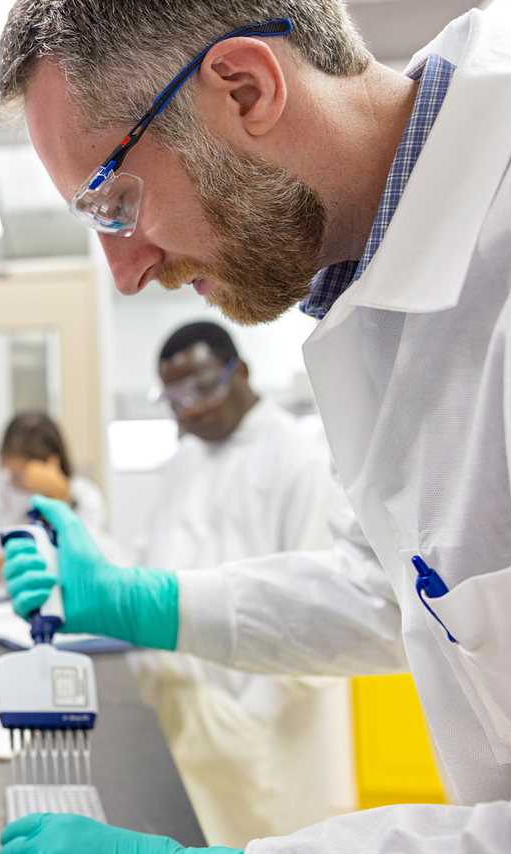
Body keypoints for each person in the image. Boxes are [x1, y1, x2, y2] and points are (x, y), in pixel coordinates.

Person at [0, 0, 511, 851]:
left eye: (116, 203)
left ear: (245, 89)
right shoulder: (380, 287)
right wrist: (149, 604)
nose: (126, 272)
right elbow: (391, 589)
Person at [129, 321, 351, 846]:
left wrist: (247, 717)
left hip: (266, 728)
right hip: (183, 712)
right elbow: (155, 559)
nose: (192, 409)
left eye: (204, 387)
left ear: (242, 371)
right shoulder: (184, 461)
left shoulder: (300, 459)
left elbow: (322, 607)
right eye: (176, 397)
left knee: (267, 836)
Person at [0, 411, 106, 584]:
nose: (20, 482)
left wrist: (63, 499)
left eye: (25, 473)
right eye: (14, 473)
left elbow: (97, 564)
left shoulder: (83, 496)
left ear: (53, 462)